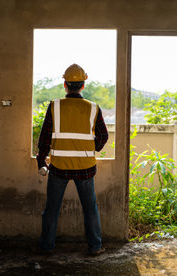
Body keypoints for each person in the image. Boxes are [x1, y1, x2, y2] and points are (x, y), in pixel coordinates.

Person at [36, 63, 109, 255]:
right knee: (90, 209)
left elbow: (44, 138)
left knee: (51, 209)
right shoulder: (93, 108)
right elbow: (103, 137)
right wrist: (89, 149)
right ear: (83, 85)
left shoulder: (55, 106)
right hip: (85, 168)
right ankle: (95, 247)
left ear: (65, 85)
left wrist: (40, 160)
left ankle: (46, 247)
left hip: (59, 167)